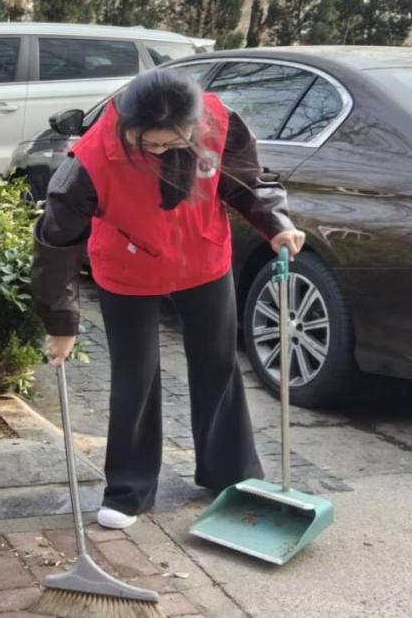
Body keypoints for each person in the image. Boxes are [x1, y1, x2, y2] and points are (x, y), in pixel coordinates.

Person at [31, 67, 306, 530]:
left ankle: (230, 474)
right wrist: (61, 324)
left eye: (171, 142)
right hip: (127, 268)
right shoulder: (91, 160)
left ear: (193, 126)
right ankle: (129, 491)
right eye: (149, 143)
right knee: (135, 377)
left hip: (204, 259)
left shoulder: (219, 124)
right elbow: (56, 243)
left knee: (218, 365)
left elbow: (246, 182)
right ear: (126, 124)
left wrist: (276, 224)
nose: (159, 151)